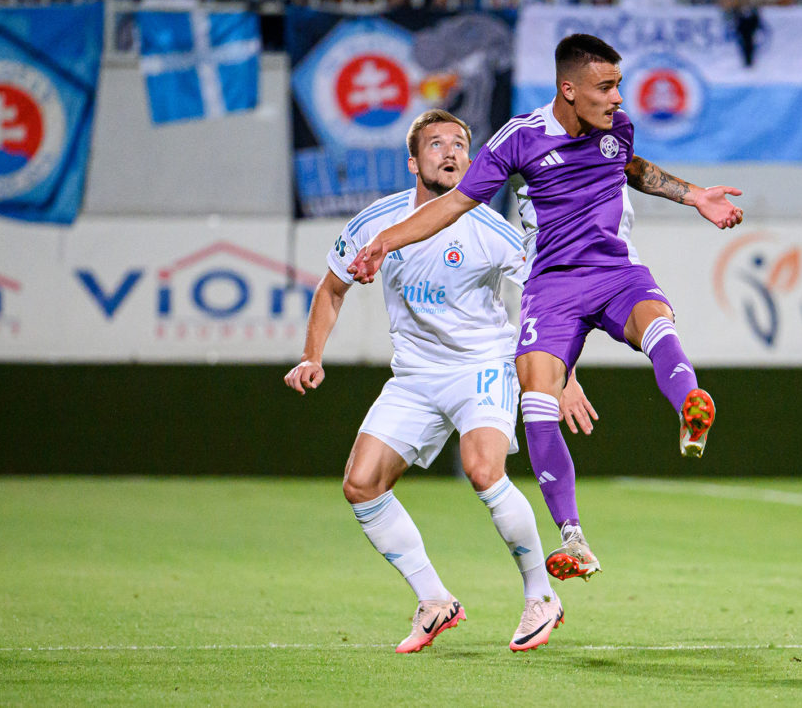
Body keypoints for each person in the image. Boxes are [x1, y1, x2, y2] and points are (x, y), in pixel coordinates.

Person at [347, 34, 744, 583]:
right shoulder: (520, 138)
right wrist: (388, 240)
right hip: (551, 287)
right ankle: (574, 539)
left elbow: (631, 166)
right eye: (606, 87)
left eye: (619, 86)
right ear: (568, 89)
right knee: (538, 398)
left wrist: (694, 194)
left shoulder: (616, 129)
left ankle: (691, 406)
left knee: (656, 320)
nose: (617, 99)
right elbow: (454, 205)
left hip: (614, 271)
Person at [285, 109, 579, 654]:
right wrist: (311, 356)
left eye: (460, 144)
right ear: (413, 160)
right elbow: (331, 288)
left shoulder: (493, 231)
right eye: (436, 143)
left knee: (483, 469)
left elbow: (549, 295)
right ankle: (434, 600)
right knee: (361, 484)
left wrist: (564, 372)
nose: (450, 152)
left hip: (482, 366)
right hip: (415, 375)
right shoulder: (379, 221)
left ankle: (541, 596)